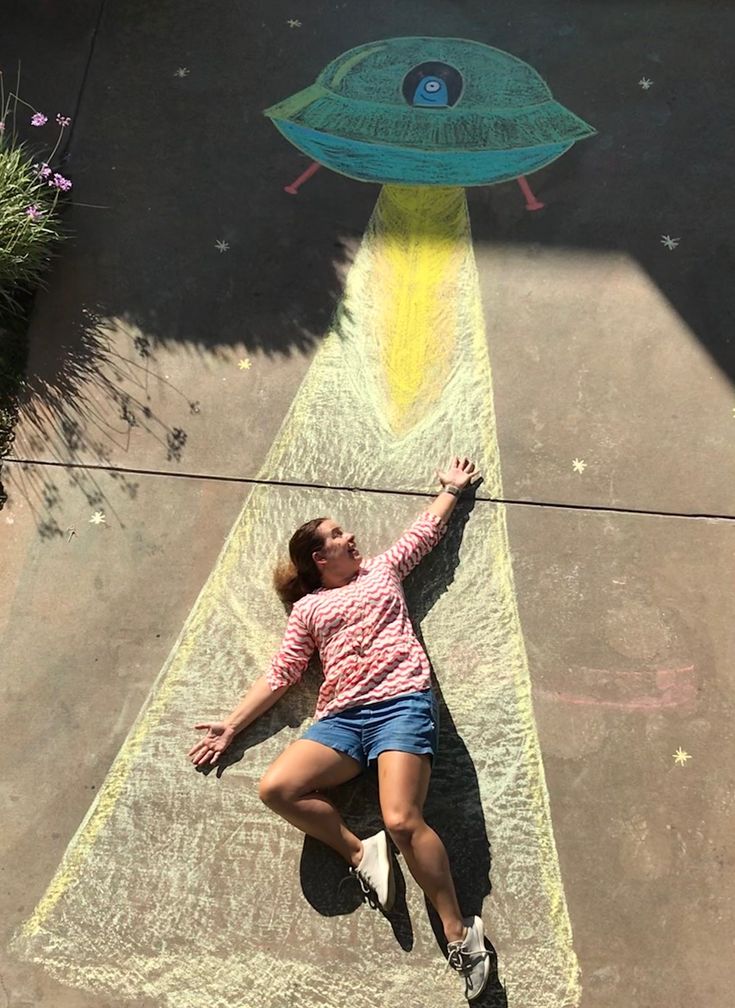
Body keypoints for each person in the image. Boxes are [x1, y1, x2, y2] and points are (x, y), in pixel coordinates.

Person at [188, 456, 491, 1000]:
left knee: (402, 819)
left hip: (401, 704)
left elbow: (423, 534)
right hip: (342, 719)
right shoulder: (307, 611)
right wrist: (231, 727)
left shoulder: (381, 570)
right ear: (317, 557)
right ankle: (358, 852)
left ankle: (459, 931)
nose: (350, 538)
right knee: (277, 788)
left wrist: (450, 490)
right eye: (336, 536)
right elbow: (283, 673)